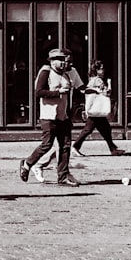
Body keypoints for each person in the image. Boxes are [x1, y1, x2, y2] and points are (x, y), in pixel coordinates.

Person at [19, 48, 82, 187]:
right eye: (59, 60)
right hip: (48, 115)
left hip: (63, 116)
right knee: (47, 144)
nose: (63, 62)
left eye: (63, 60)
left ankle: (63, 176)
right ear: (52, 61)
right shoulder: (46, 72)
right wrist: (57, 92)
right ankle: (27, 163)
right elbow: (39, 92)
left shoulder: (67, 74)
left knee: (65, 146)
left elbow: (78, 87)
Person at [73, 59, 125, 156]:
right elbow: (106, 93)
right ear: (96, 70)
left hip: (95, 110)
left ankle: (113, 149)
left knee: (105, 129)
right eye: (101, 69)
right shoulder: (97, 80)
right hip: (96, 110)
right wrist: (109, 84)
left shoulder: (92, 80)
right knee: (89, 130)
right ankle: (75, 146)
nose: (103, 71)